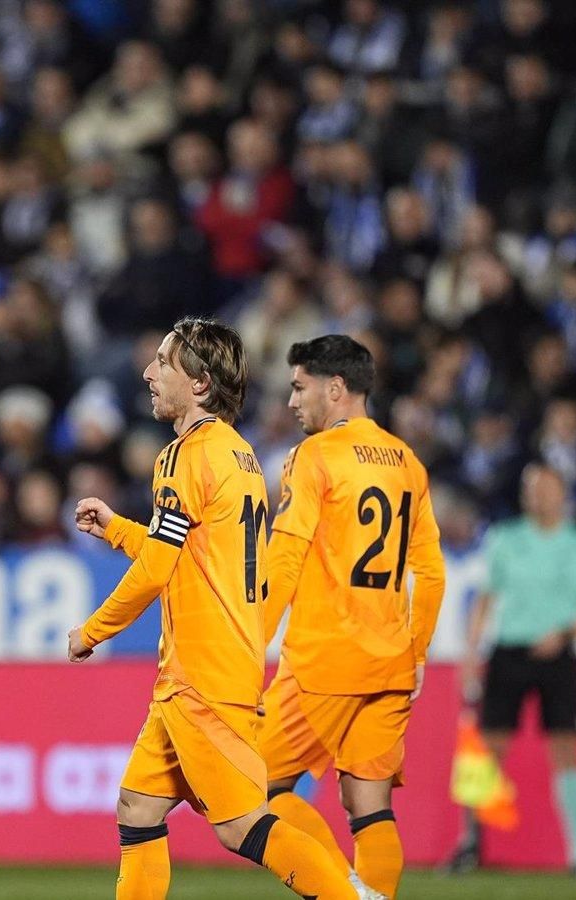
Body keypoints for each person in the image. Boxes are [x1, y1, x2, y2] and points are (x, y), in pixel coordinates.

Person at [67, 318, 357, 900]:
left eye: (163, 363)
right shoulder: (239, 454)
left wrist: (92, 632)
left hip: (201, 677)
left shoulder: (183, 456)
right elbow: (187, 550)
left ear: (199, 384)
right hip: (208, 669)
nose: (148, 374)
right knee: (138, 807)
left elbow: (157, 570)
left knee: (242, 826)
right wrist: (120, 529)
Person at [259, 335, 447, 900]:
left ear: (334, 388)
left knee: (252, 791)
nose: (292, 402)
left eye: (299, 388)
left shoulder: (313, 456)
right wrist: (416, 655)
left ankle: (343, 893)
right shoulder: (407, 462)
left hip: (323, 659)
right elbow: (432, 573)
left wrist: (251, 642)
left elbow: (286, 555)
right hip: (390, 661)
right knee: (368, 805)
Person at [450, 463, 576, 879]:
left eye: (545, 488)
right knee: (488, 750)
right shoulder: (505, 539)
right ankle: (470, 844)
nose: (537, 495)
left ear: (563, 493)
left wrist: (564, 633)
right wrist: (471, 653)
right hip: (509, 651)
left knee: (566, 750)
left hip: (559, 654)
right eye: (531, 489)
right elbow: (485, 600)